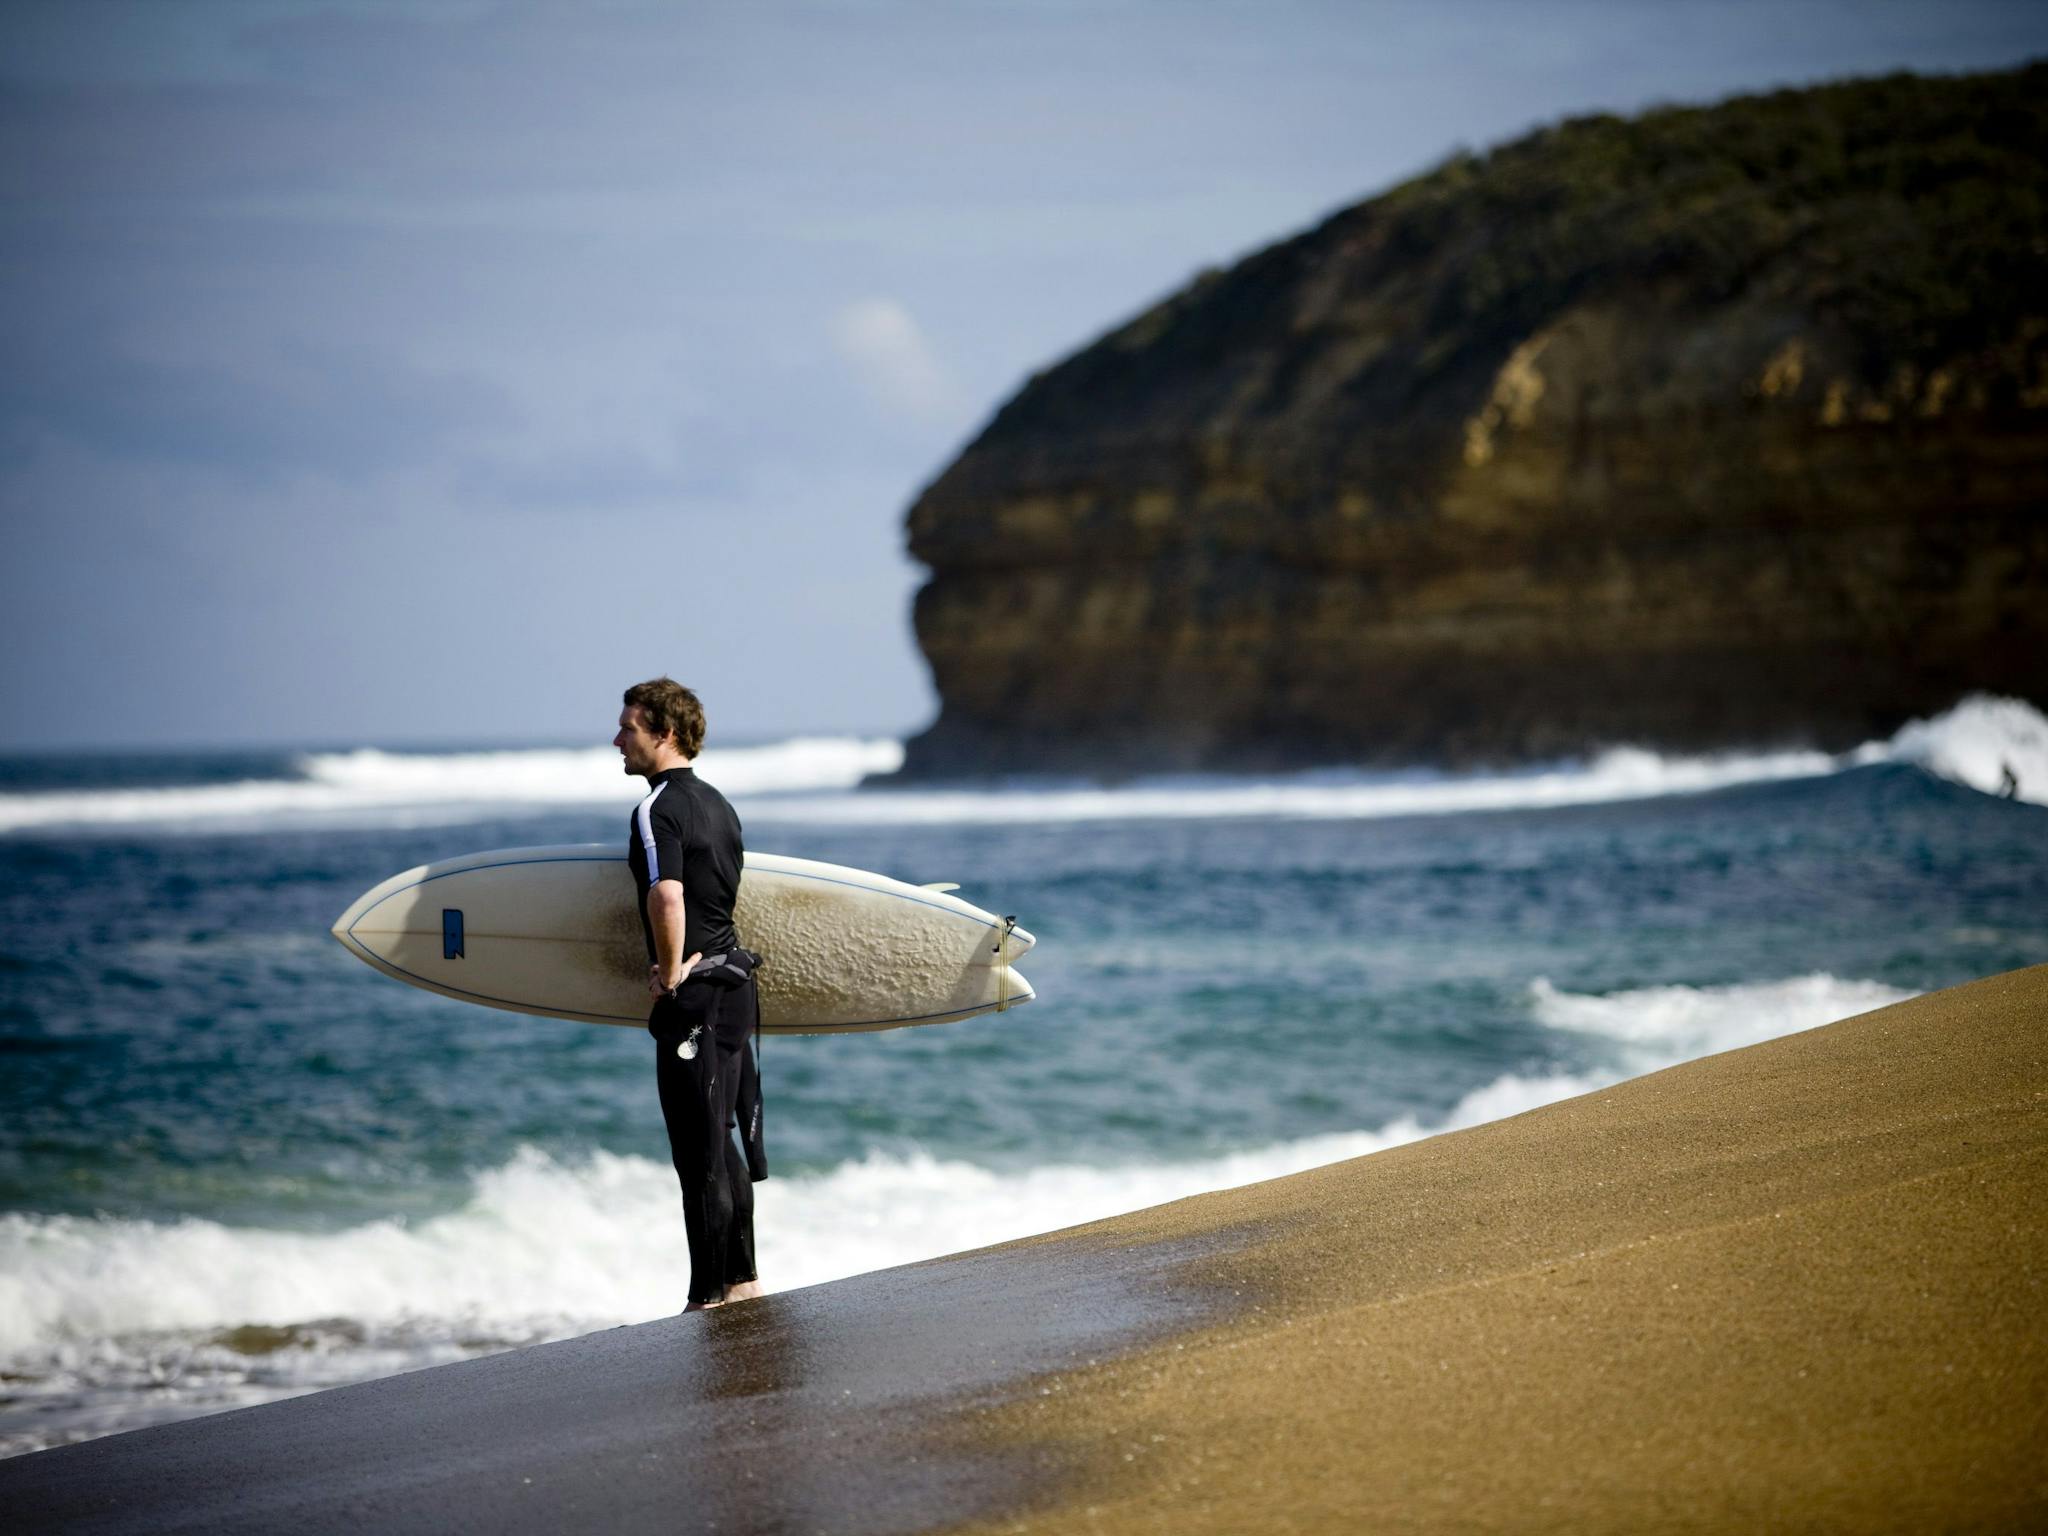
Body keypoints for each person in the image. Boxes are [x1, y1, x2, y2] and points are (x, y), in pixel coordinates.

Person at [615, 677, 765, 1310]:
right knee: (720, 1137)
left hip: (697, 998)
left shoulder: (658, 808)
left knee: (695, 1152)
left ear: (664, 733)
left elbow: (667, 893)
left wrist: (670, 972)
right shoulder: (720, 804)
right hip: (736, 990)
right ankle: (743, 1282)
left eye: (629, 728)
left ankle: (705, 1299)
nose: (617, 739)